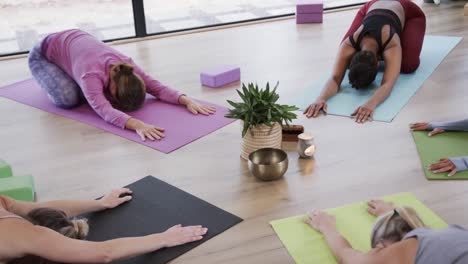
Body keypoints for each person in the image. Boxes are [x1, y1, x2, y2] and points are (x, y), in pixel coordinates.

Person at [28, 29, 216, 141]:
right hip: (42, 54)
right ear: (112, 89)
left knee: (84, 92)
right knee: (68, 99)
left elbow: (156, 87)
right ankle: (55, 74)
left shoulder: (127, 66)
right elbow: (104, 110)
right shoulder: (90, 75)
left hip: (74, 40)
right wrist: (138, 125)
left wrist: (186, 101)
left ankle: (70, 72)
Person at [0, 188, 208, 263]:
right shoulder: (24, 234)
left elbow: (36, 207)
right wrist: (163, 238)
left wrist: (100, 203)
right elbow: (104, 252)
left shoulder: (6, 207)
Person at [304, 0, 426, 123]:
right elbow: (335, 78)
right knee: (342, 60)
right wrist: (320, 99)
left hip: (408, 10)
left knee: (408, 65)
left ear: (378, 63)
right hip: (372, 5)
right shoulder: (348, 45)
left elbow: (388, 83)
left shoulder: (391, 43)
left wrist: (370, 104)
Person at [304, 199, 468, 263]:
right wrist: (391, 214)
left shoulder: (404, 251)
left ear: (383, 245)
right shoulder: (453, 233)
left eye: (375, 249)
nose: (374, 252)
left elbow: (347, 257)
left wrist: (326, 226)